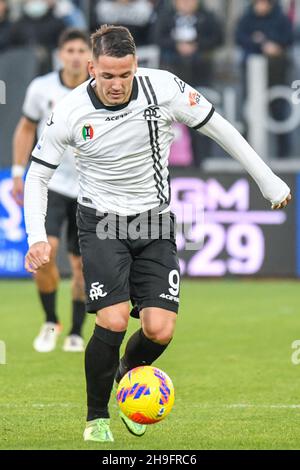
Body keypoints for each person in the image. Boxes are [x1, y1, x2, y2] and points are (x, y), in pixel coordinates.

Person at [23, 25, 291, 443]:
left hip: (154, 221)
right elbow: (38, 175)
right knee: (111, 320)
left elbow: (219, 127)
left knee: (159, 330)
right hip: (101, 222)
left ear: (136, 66)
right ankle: (97, 418)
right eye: (107, 76)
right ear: (92, 68)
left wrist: (267, 179)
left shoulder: (164, 88)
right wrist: (36, 236)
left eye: (124, 75)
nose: (116, 84)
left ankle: (128, 378)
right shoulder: (70, 110)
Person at [12, 28, 91, 353]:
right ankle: (50, 321)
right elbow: (26, 127)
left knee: (83, 266)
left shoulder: (98, 90)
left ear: (90, 57)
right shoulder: (41, 88)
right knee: (44, 255)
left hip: (89, 187)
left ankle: (75, 331)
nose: (75, 56)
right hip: (52, 183)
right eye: (69, 50)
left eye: (80, 50)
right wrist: (19, 171)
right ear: (61, 54)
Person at [236, 0, 294, 158]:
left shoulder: (280, 18)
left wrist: (275, 46)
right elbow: (240, 38)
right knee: (249, 111)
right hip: (251, 72)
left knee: (278, 110)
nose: (260, 7)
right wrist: (260, 44)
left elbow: (288, 38)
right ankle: (246, 154)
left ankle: (284, 154)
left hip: (276, 71)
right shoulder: (247, 18)